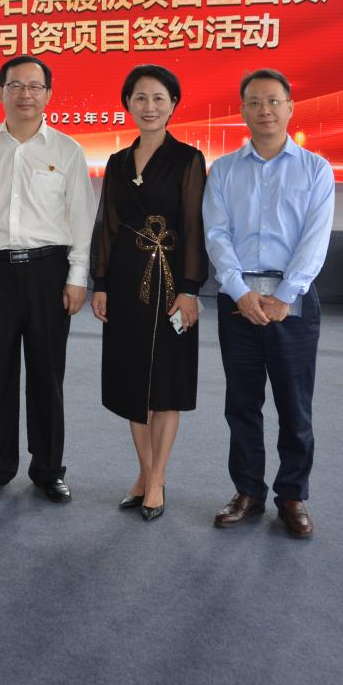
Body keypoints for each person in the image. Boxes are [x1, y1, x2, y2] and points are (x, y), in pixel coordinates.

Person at [0, 55, 96, 504]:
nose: (25, 94)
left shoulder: (67, 150)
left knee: (47, 376)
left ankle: (48, 470)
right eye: (16, 85)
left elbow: (81, 219)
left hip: (49, 272)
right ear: (0, 92)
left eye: (35, 86)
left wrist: (77, 276)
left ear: (49, 95)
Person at [202, 68, 335, 538]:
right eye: (255, 102)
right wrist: (239, 292)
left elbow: (315, 239)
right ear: (242, 110)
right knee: (241, 403)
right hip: (238, 301)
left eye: (274, 101)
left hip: (291, 301)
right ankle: (248, 492)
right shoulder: (223, 170)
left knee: (294, 405)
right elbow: (216, 236)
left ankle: (293, 495)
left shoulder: (315, 169)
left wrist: (284, 296)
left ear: (290, 107)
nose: (265, 110)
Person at [90, 65, 206, 522]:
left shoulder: (188, 159)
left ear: (173, 104)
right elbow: (108, 226)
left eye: (159, 98)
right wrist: (101, 283)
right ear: (128, 104)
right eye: (140, 98)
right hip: (125, 284)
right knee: (131, 381)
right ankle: (143, 473)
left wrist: (191, 289)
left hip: (173, 284)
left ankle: (156, 479)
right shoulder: (118, 162)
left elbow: (195, 227)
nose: (150, 106)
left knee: (167, 385)